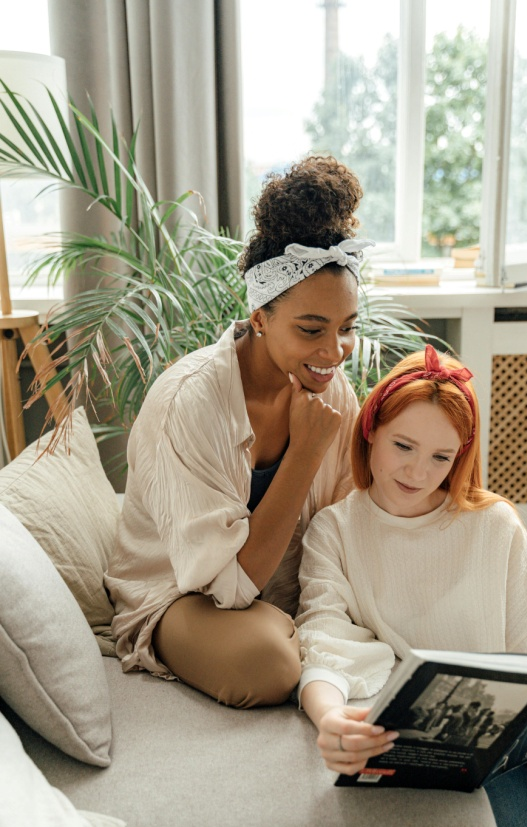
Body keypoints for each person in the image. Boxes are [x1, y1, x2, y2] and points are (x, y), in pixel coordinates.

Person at [295, 344, 527, 827]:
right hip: (488, 765)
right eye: (403, 446)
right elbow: (323, 636)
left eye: (441, 457)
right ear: (370, 431)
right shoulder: (336, 531)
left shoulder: (492, 523)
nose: (418, 472)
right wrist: (328, 717)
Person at [105, 155, 371, 708]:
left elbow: (345, 522)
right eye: (311, 329)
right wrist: (304, 456)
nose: (334, 352)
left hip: (282, 594)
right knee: (269, 665)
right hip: (184, 597)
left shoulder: (329, 387)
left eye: (347, 329)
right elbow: (227, 589)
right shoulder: (190, 402)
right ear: (259, 318)